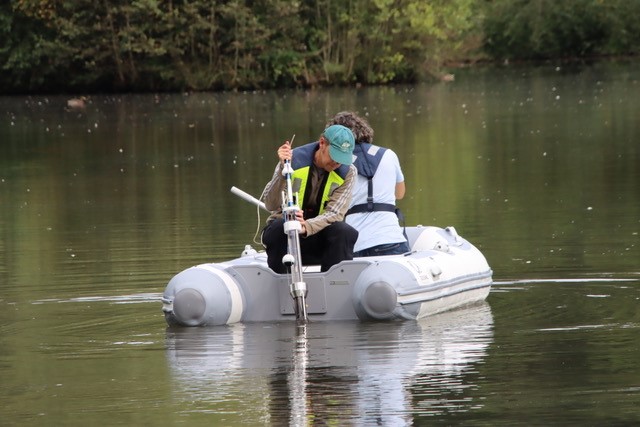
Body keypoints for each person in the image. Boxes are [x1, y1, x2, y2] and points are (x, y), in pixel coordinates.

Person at [260, 124, 359, 273]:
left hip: (319, 236)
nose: (337, 163)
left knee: (344, 231)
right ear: (322, 144)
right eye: (334, 156)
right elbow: (270, 204)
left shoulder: (349, 171)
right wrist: (282, 169)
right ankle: (280, 282)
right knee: (278, 227)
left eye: (342, 159)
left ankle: (336, 284)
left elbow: (335, 213)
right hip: (286, 235)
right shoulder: (291, 160)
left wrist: (306, 226)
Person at [327, 111, 410, 257]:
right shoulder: (389, 154)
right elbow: (400, 193)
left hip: (356, 244)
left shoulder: (336, 164)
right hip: (392, 240)